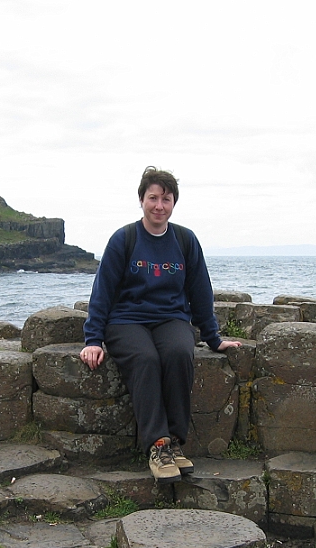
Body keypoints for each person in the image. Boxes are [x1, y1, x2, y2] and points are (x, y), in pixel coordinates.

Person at [80, 167, 240, 484]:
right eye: (152, 198)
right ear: (141, 200)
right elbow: (103, 291)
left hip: (171, 318)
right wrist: (93, 339)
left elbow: (200, 292)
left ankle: (175, 441)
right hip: (126, 320)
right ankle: (157, 445)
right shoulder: (123, 239)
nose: (159, 206)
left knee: (180, 353)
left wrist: (213, 338)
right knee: (146, 359)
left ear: (173, 203)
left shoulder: (185, 240)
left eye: (165, 199)